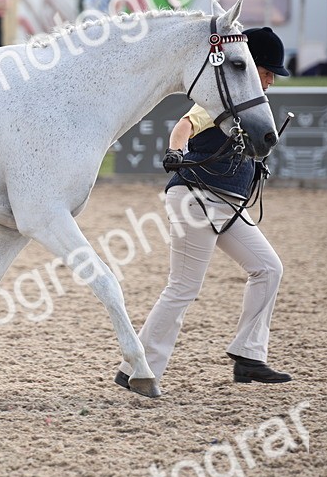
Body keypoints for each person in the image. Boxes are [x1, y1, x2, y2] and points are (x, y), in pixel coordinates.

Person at [116, 26, 292, 394]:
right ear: (250, 65)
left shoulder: (252, 111)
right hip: (197, 196)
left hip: (226, 203)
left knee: (268, 268)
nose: (272, 79)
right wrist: (176, 151)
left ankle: (248, 356)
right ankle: (138, 367)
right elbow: (184, 125)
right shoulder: (221, 102)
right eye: (267, 71)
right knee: (182, 287)